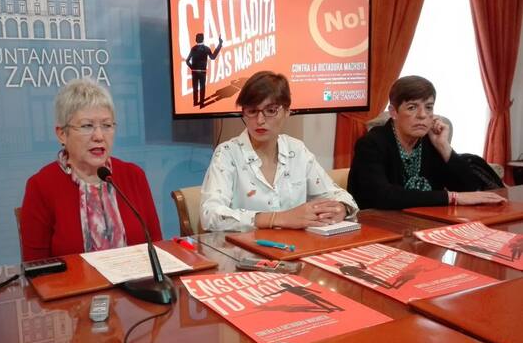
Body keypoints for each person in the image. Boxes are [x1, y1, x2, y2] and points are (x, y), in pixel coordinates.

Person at [20, 78, 161, 261]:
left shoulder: (134, 176)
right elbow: (36, 267)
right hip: (73, 281)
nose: (99, 136)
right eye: (87, 126)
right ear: (62, 134)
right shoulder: (41, 186)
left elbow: (157, 247)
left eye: (107, 125)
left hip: (138, 279)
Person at [200, 70, 358, 232]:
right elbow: (210, 215)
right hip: (245, 246)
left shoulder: (297, 150)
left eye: (271, 111)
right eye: (252, 111)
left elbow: (338, 195)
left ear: (287, 111)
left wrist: (340, 208)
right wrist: (277, 218)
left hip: (294, 244)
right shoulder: (227, 153)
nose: (260, 120)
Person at [348, 75, 506, 209]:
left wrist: (444, 146)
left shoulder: (430, 142)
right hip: (380, 225)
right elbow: (381, 196)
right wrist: (451, 197)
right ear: (393, 112)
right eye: (412, 107)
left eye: (429, 107)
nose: (423, 115)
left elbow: (469, 189)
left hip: (427, 221)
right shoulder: (371, 144)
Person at [185, 33, 223, 107]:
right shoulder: (206, 48)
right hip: (202, 72)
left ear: (196, 40)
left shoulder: (193, 49)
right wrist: (220, 44)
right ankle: (202, 104)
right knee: (202, 88)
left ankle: (195, 102)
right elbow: (213, 57)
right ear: (203, 39)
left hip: (194, 72)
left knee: (195, 88)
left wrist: (192, 68)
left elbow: (187, 61)